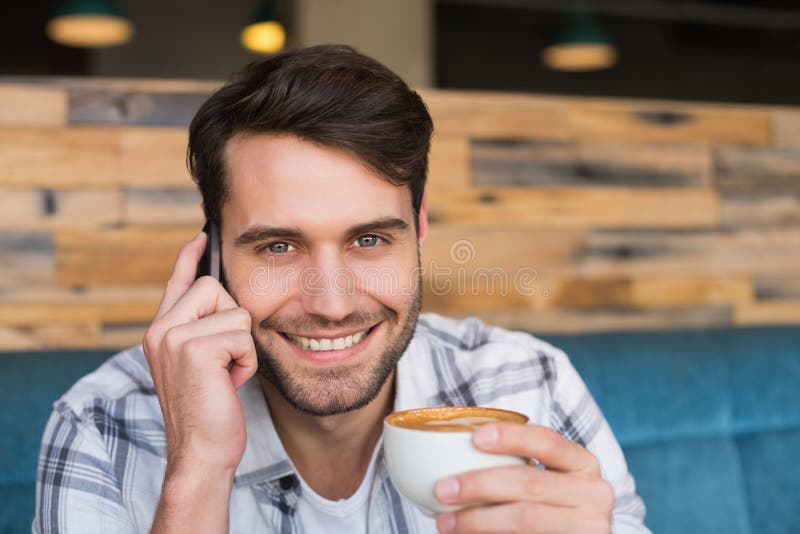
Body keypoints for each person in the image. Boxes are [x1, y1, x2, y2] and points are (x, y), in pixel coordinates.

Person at [34, 44, 648, 533]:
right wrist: (197, 469)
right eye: (278, 246)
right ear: (214, 249)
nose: (331, 305)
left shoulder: (532, 384)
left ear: (420, 230)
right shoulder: (100, 426)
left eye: (371, 240)